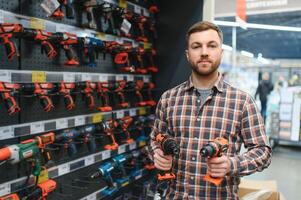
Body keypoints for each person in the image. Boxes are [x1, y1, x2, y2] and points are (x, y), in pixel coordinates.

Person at [150, 21, 272, 199]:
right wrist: (157, 153)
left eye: (212, 45)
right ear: (187, 54)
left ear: (220, 52)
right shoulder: (169, 99)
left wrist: (232, 164)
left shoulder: (242, 102)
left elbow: (263, 152)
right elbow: (155, 138)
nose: (204, 52)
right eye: (196, 46)